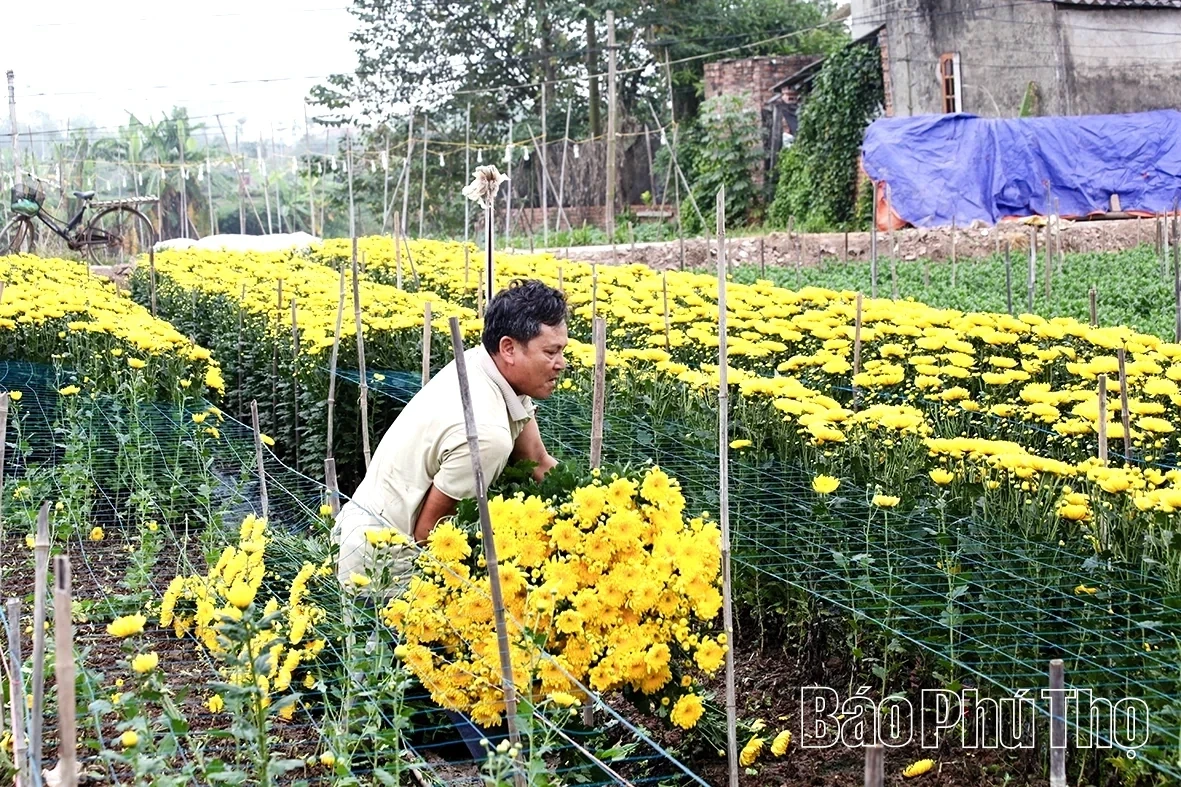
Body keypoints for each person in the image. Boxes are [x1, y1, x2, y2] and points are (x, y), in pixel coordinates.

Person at [333, 278, 568, 587]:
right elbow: (430, 536)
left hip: (368, 526)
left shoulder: (486, 365)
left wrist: (599, 502)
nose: (561, 364)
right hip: (383, 565)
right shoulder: (485, 433)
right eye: (551, 352)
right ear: (508, 348)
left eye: (562, 351)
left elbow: (537, 461)